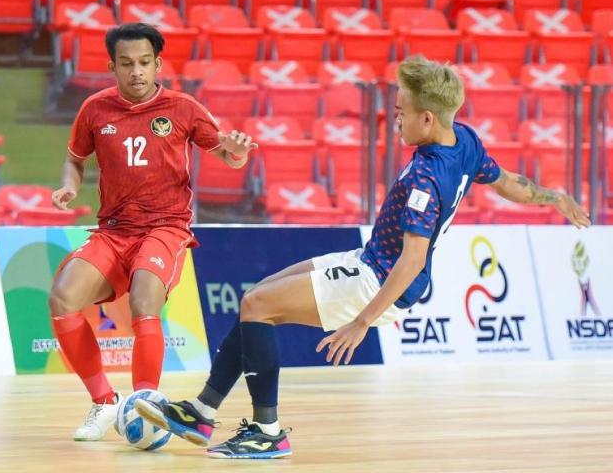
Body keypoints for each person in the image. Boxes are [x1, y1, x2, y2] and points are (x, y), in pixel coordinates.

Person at [135, 55, 591, 458]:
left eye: (401, 113)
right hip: (369, 260)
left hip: (377, 281)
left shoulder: (426, 180)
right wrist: (553, 197)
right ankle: (201, 410)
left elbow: (411, 260)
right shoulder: (465, 141)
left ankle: (267, 432)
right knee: (256, 297)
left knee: (257, 307)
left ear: (428, 119)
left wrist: (361, 321)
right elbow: (508, 181)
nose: (395, 119)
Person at [48, 23, 257, 441]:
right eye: (126, 64)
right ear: (112, 67)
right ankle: (105, 403)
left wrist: (235, 152)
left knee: (145, 298)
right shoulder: (94, 109)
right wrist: (70, 184)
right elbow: (74, 159)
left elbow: (227, 156)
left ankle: (147, 407)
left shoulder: (183, 108)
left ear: (158, 63)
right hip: (114, 230)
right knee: (63, 297)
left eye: (144, 62)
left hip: (165, 227)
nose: (136, 71)